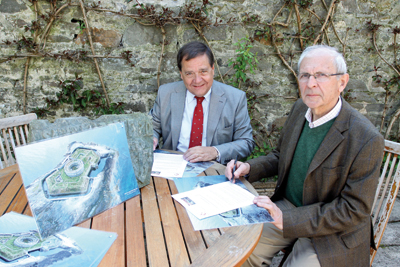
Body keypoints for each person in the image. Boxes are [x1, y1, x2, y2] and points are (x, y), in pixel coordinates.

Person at [225, 45, 384, 267]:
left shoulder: (365, 138)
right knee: (238, 251)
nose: (311, 84)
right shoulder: (301, 108)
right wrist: (250, 168)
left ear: (342, 82)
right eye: (305, 75)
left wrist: (288, 219)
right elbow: (281, 156)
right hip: (289, 208)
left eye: (321, 75)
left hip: (333, 232)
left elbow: (353, 210)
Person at [150, 41, 255, 164]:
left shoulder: (235, 98)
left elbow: (246, 142)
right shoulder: (165, 93)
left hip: (215, 169)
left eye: (203, 71)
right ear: (181, 74)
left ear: (212, 69)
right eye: (189, 73)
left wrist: (214, 152)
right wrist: (151, 138)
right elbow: (152, 127)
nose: (197, 80)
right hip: (172, 167)